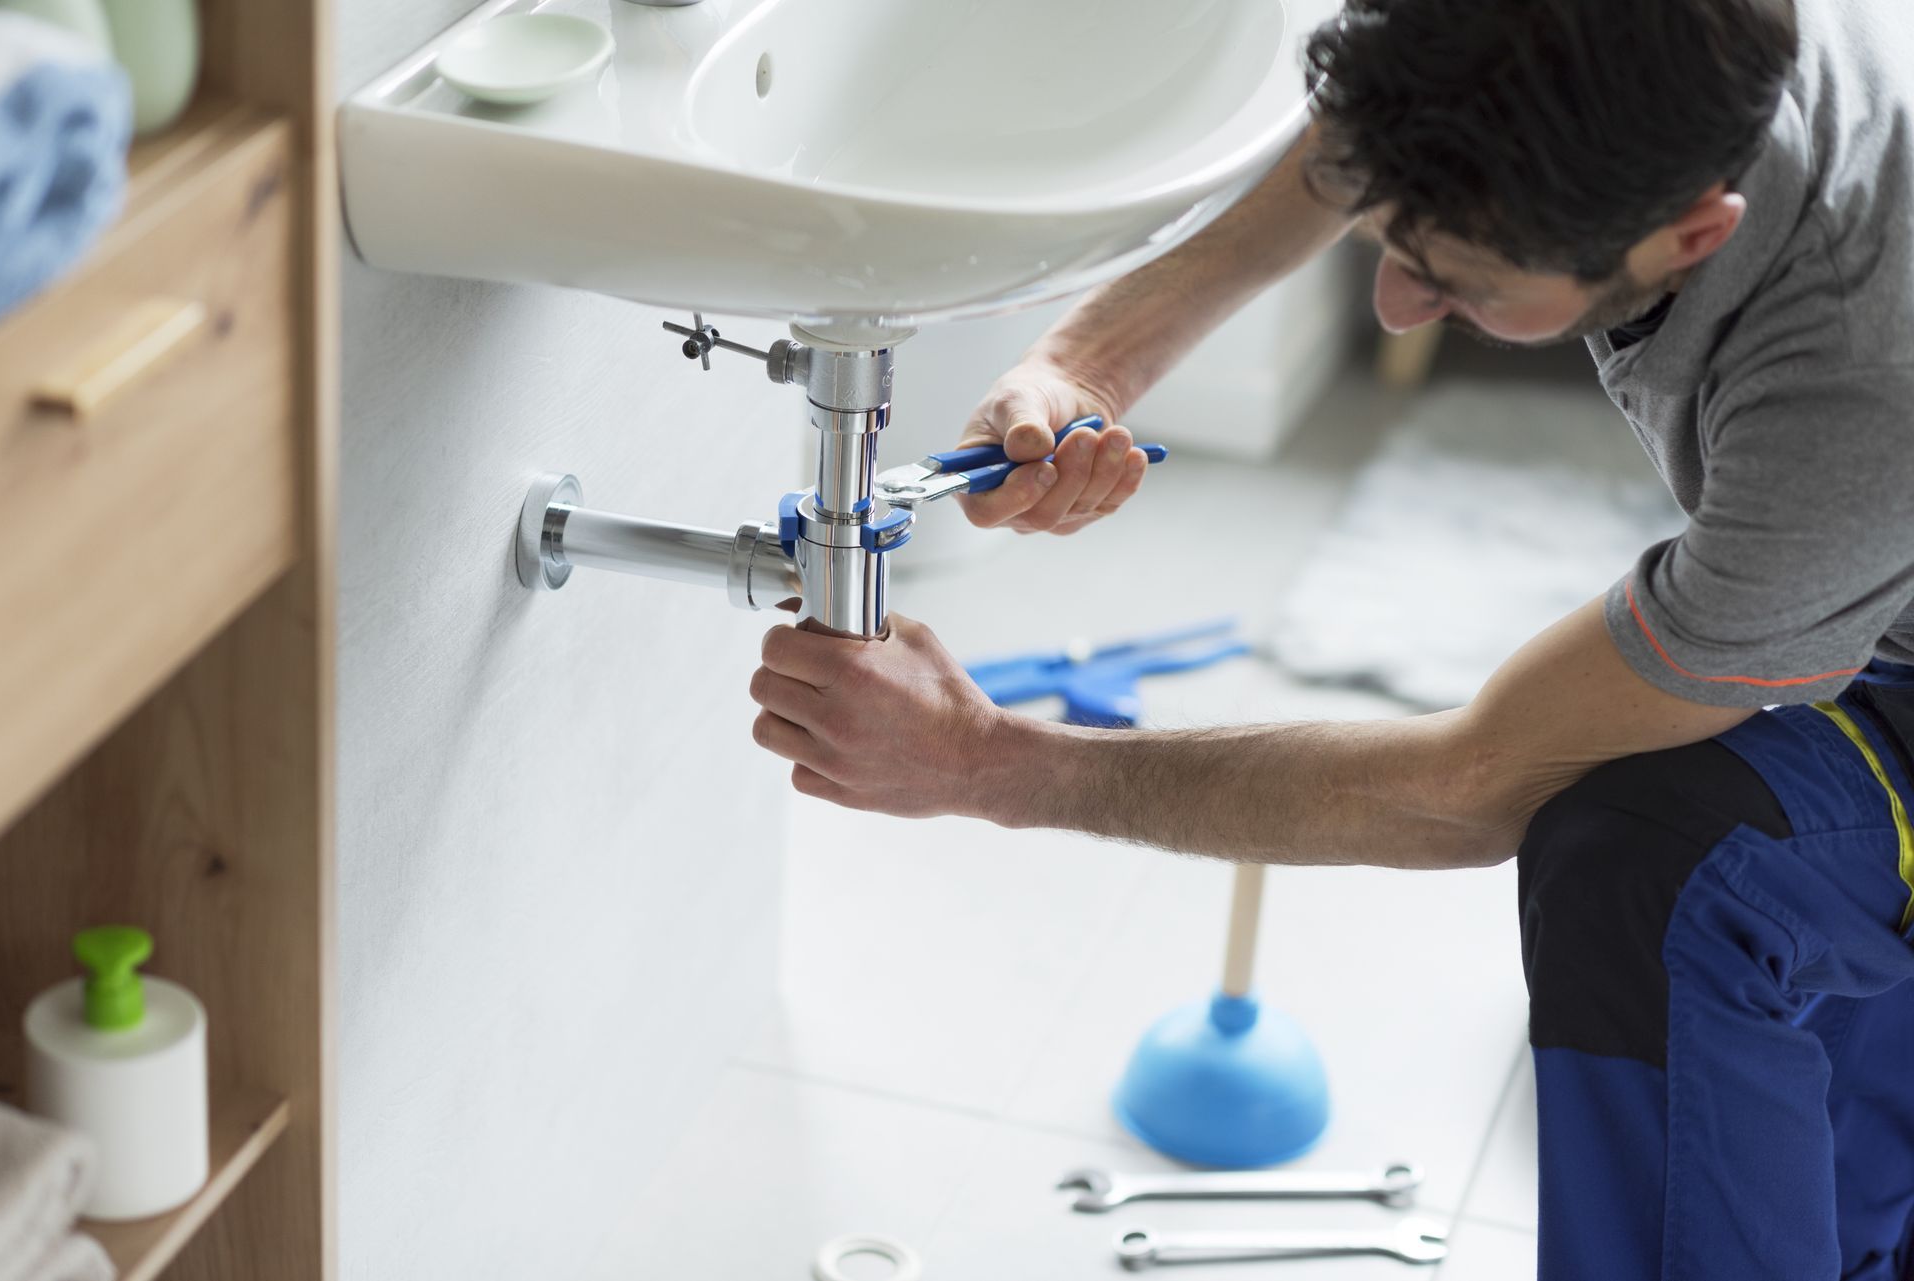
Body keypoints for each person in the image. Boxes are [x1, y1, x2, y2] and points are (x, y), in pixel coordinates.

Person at [745, 0, 1914, 1275]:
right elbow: (1357, 136)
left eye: (1464, 278)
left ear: (1695, 230)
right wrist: (1088, 365)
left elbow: (1468, 785)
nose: (1400, 306)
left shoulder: (1856, 388)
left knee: (1668, 865)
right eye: (1392, 237)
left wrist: (987, 764)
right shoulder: (1532, 40)